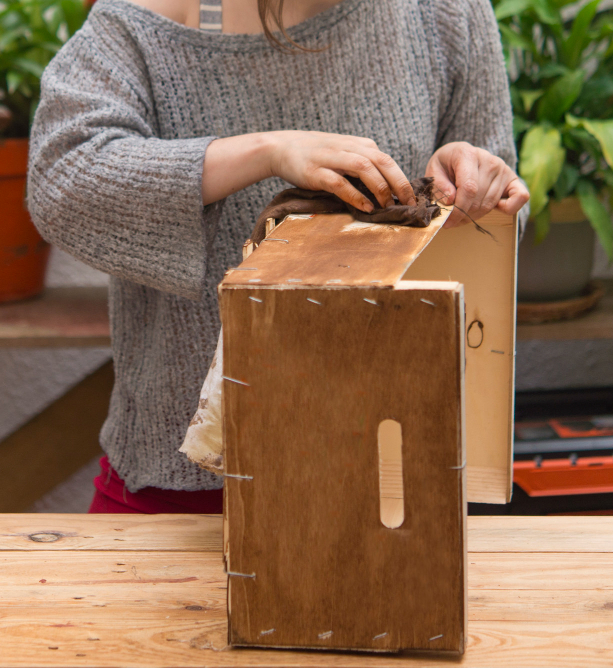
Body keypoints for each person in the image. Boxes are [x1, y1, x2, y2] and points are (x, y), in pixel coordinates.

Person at [27, 0, 528, 513]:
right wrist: (266, 152)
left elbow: (499, 218)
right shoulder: (144, 20)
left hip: (390, 486)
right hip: (185, 495)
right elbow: (61, 181)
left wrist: (469, 189)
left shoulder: (445, 13)